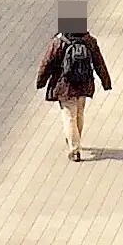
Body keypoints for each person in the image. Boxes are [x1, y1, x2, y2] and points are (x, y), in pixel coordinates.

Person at [35, 9, 113, 162]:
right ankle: (76, 140)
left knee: (69, 116)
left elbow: (46, 64)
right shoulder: (89, 40)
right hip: (84, 83)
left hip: (65, 86)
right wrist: (106, 82)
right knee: (79, 113)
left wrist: (41, 81)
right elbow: (99, 63)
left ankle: (74, 149)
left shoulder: (59, 42)